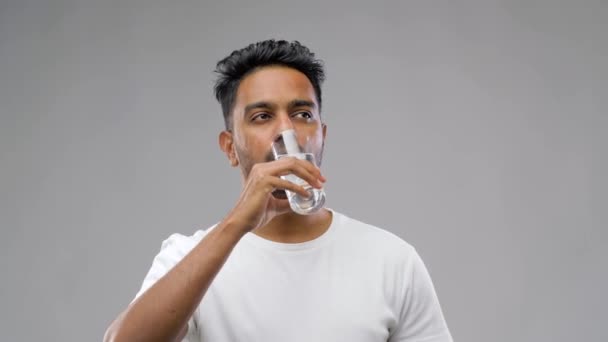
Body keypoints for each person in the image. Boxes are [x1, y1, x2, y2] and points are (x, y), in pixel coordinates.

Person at [104, 39, 453, 342]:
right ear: (229, 148)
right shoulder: (189, 255)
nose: (287, 130)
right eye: (261, 117)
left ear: (322, 136)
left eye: (302, 114)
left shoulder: (392, 260)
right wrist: (238, 224)